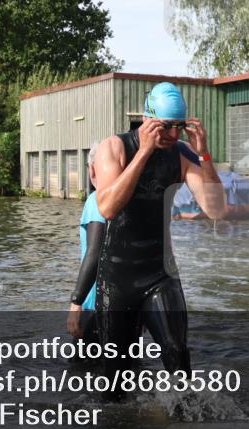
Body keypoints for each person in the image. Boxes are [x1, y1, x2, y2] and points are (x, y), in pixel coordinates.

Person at [67, 83, 226, 389]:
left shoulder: (179, 155)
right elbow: (109, 207)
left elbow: (216, 209)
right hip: (117, 280)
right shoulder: (114, 148)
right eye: (166, 127)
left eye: (179, 127)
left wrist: (204, 154)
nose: (174, 135)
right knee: (117, 381)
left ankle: (184, 420)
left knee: (177, 353)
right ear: (148, 119)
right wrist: (143, 153)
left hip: (159, 274)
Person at [65, 144, 106, 344]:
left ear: (92, 169)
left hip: (96, 306)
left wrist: (76, 303)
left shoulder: (97, 200)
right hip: (128, 305)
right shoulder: (130, 201)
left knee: (83, 372)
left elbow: (94, 252)